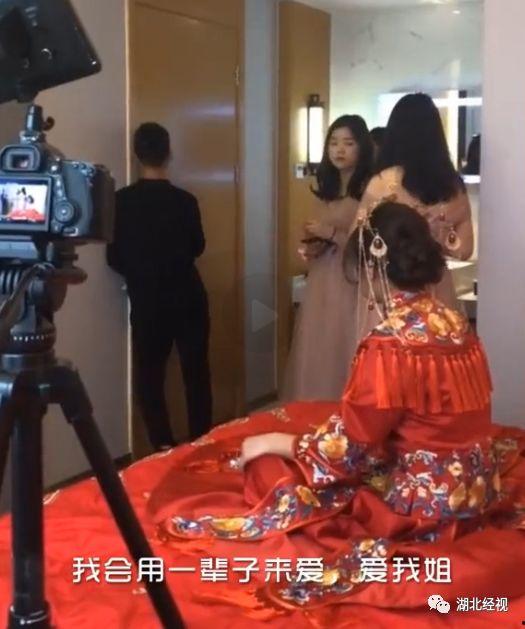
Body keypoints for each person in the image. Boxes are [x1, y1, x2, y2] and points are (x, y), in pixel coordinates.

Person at [138, 202, 525, 624]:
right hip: (474, 489)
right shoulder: (455, 323)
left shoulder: (390, 343)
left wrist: (280, 442)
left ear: (373, 266)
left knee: (271, 468)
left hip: (419, 509)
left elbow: (349, 451)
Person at [107, 122, 212, 450]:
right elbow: (198, 246)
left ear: (136, 155)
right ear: (169, 154)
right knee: (196, 372)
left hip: (147, 299)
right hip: (188, 295)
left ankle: (163, 445)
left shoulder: (120, 202)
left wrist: (140, 271)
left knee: (150, 376)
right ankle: (202, 441)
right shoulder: (185, 201)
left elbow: (113, 257)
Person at [355, 93, 474, 320]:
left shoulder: (382, 183)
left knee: (393, 342)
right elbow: (464, 249)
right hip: (435, 285)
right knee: (436, 339)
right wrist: (438, 235)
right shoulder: (451, 185)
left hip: (393, 286)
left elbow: (359, 242)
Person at [282, 115, 374, 401]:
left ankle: (347, 411)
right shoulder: (326, 189)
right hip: (322, 275)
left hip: (351, 279)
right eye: (333, 143)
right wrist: (313, 246)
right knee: (318, 344)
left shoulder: (370, 190)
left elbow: (367, 244)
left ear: (362, 147)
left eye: (348, 143)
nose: (339, 150)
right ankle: (315, 411)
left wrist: (330, 233)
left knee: (344, 342)